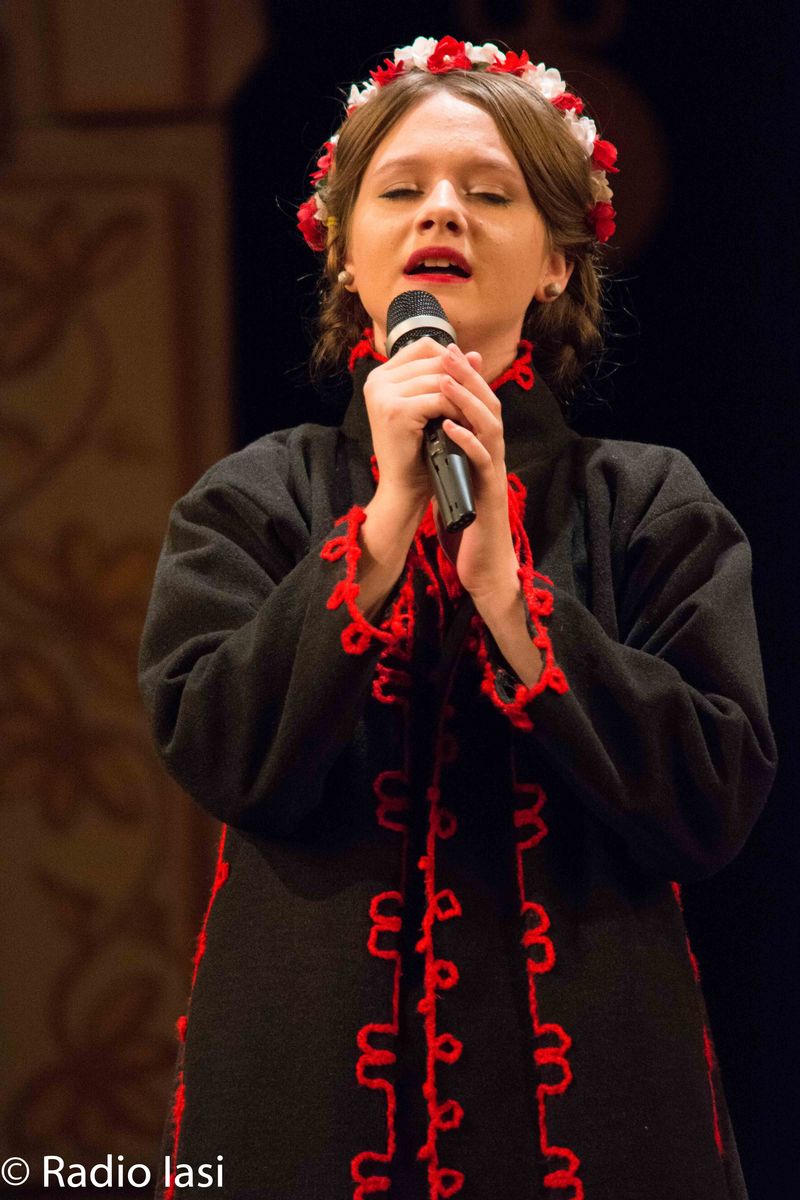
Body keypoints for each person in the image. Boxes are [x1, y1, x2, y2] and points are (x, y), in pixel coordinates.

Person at [138, 35, 777, 1200]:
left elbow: (712, 799)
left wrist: (513, 603)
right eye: (400, 190)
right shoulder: (253, 497)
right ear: (343, 253)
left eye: (489, 193)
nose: (442, 210)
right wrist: (382, 529)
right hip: (303, 1108)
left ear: (555, 263)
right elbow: (219, 749)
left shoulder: (648, 501)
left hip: (598, 1121)